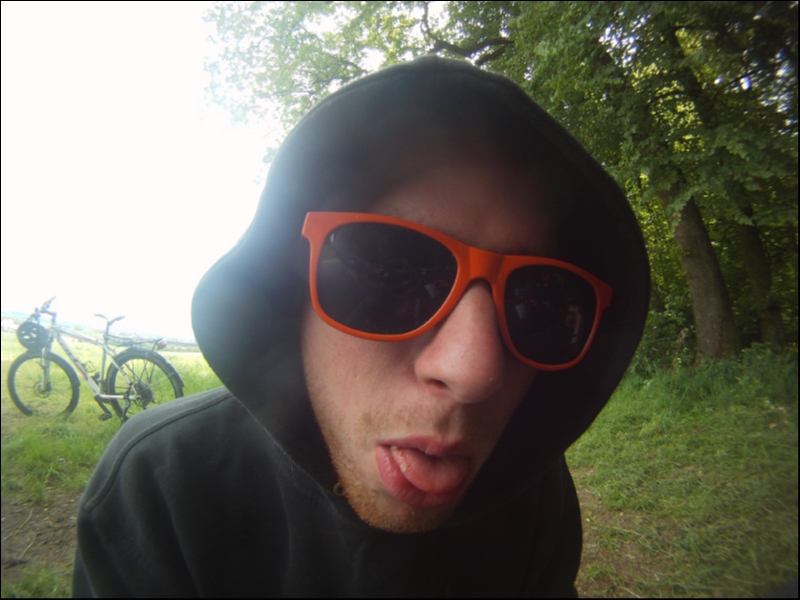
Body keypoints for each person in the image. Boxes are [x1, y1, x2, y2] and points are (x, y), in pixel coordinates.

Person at [73, 56, 649, 597]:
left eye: (539, 303)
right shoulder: (161, 485)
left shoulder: (533, 495)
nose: (475, 371)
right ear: (292, 290)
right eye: (395, 277)